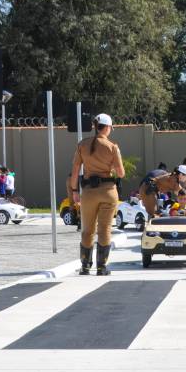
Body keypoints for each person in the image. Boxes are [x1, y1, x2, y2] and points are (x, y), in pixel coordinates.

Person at [70, 113, 125, 276]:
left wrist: (74, 191)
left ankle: (85, 266)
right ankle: (101, 267)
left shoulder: (82, 145)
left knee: (87, 230)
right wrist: (112, 169)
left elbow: (74, 172)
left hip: (88, 193)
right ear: (107, 128)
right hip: (108, 192)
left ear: (95, 126)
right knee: (105, 229)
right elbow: (121, 173)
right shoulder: (112, 147)